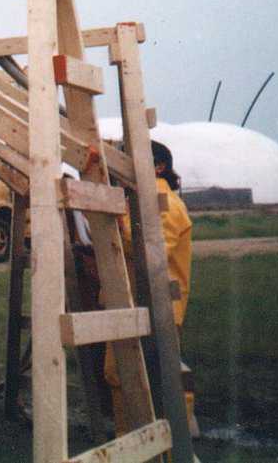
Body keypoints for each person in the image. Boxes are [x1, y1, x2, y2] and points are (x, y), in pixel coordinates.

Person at [105, 139, 196, 437]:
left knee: (153, 377)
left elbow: (152, 252)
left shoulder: (161, 199)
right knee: (122, 373)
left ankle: (170, 446)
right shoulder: (141, 198)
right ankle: (134, 443)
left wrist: (118, 222)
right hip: (140, 304)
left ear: (159, 167)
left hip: (159, 308)